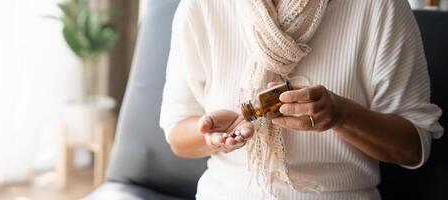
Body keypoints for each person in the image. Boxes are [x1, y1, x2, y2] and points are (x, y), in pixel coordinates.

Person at [160, 0, 444, 199]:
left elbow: (413, 148)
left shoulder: (379, 7)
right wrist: (213, 137)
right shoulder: (201, 7)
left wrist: (341, 116)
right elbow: (178, 138)